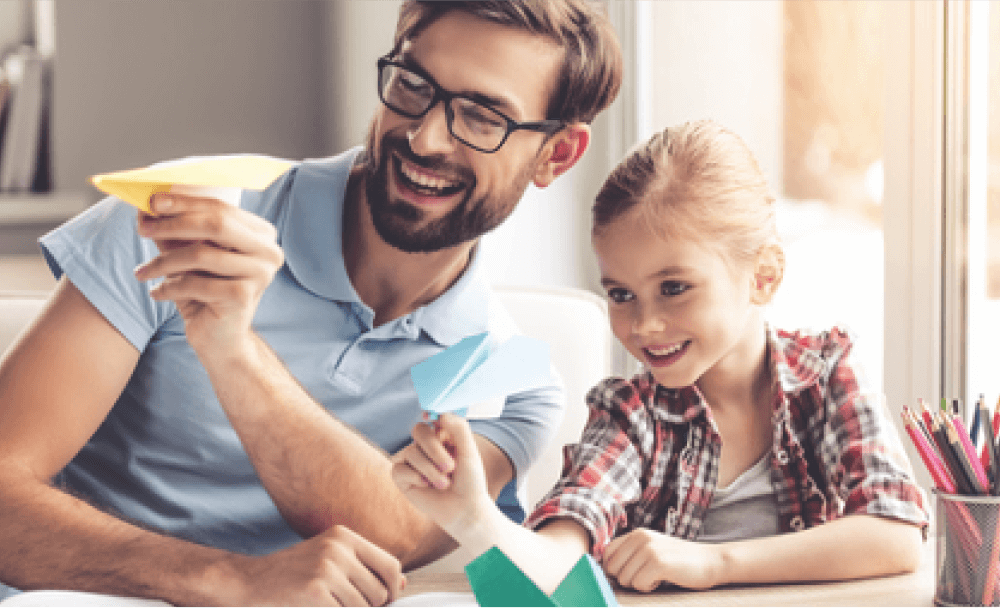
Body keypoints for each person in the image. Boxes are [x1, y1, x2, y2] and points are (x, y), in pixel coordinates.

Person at [0, 2, 622, 606]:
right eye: (411, 84)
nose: (426, 137)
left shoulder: (509, 375)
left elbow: (398, 532)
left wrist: (234, 350)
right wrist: (232, 580)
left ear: (556, 154)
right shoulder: (182, 220)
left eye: (483, 117)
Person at [392, 120, 929, 595]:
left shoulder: (828, 374)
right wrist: (473, 516)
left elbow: (896, 532)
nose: (643, 325)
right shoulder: (631, 416)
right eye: (621, 294)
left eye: (674, 287)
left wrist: (712, 562)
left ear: (762, 276)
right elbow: (561, 556)